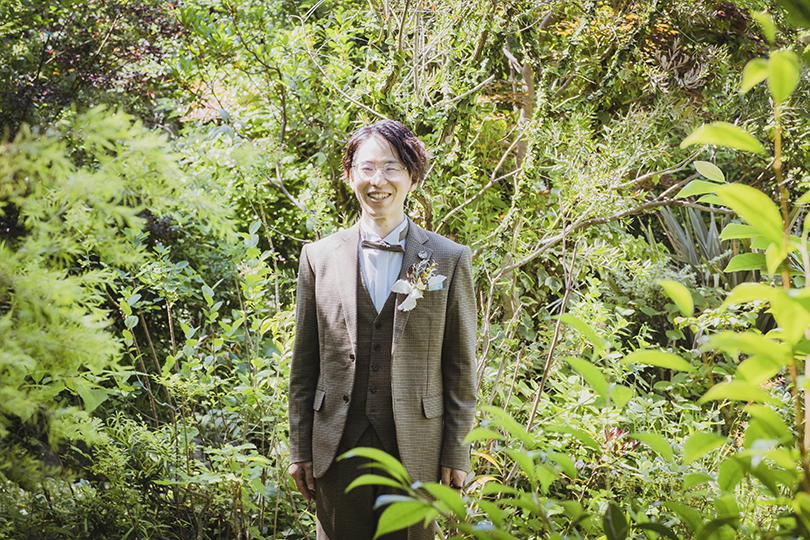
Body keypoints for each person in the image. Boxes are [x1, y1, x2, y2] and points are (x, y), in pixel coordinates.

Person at [287, 119, 477, 540]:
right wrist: (299, 448)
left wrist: (457, 450)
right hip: (336, 445)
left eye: (392, 168)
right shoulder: (318, 257)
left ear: (413, 177)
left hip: (418, 448)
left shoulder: (448, 258)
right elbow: (304, 365)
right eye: (367, 168)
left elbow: (461, 367)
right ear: (349, 175)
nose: (378, 180)